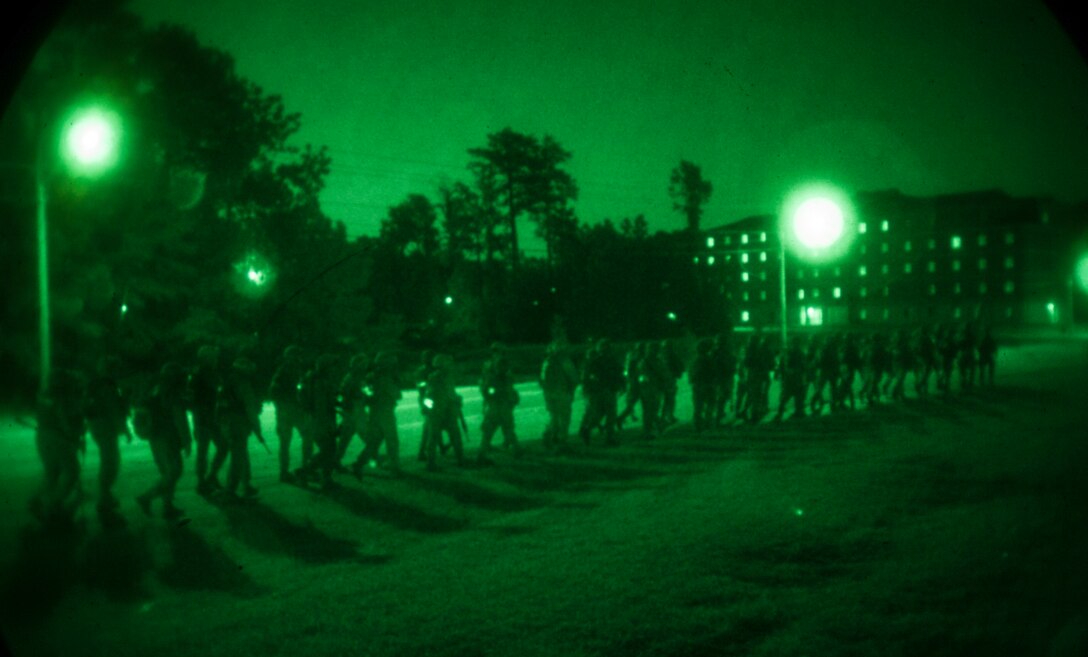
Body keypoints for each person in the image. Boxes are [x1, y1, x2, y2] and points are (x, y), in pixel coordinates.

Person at [30, 368, 86, 529]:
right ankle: (53, 505)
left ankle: (37, 501)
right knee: (72, 471)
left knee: (52, 472)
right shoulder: (62, 398)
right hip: (59, 438)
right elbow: (65, 423)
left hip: (42, 436)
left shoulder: (44, 395)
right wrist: (76, 436)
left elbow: (41, 415)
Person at [135, 363, 192, 520]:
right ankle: (146, 497)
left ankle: (167, 508)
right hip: (167, 436)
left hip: (154, 435)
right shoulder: (171, 392)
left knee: (166, 472)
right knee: (175, 471)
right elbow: (179, 417)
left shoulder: (154, 388)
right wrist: (187, 440)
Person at [84, 354, 131, 526]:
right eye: (117, 368)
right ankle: (104, 499)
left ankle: (106, 496)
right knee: (111, 462)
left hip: (97, 425)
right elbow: (113, 408)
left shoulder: (96, 383)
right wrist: (124, 429)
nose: (120, 371)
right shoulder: (107, 385)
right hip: (105, 427)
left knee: (108, 461)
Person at [217, 357, 266, 499]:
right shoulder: (242, 383)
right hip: (237, 423)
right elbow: (249, 407)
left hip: (227, 422)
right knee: (238, 457)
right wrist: (257, 429)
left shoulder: (228, 381)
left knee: (241, 454)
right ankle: (230, 491)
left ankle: (245, 484)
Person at [354, 351, 402, 477]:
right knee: (392, 440)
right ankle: (394, 466)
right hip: (386, 412)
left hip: (374, 412)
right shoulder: (386, 377)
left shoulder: (370, 376)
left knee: (373, 441)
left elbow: (366, 393)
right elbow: (397, 395)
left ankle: (360, 462)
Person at [297, 354, 340, 489]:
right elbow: (321, 406)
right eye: (331, 366)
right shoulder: (321, 382)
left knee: (329, 449)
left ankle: (325, 478)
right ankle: (305, 472)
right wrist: (328, 426)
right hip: (321, 421)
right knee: (328, 449)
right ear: (326, 368)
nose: (334, 369)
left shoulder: (311, 379)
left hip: (314, 419)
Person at [190, 345, 225, 495]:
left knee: (222, 446)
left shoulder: (207, 373)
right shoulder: (202, 374)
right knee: (204, 451)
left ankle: (209, 477)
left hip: (210, 416)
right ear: (207, 358)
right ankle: (202, 482)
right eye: (213, 357)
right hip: (204, 417)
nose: (216, 359)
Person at [478, 343, 521, 464]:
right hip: (497, 406)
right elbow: (488, 389)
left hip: (499, 405)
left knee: (505, 428)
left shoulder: (496, 368)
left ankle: (515, 448)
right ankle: (483, 453)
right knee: (498, 429)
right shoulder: (494, 369)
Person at [269, 345, 306, 484]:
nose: (297, 359)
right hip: (287, 412)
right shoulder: (283, 372)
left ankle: (297, 470)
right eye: (295, 356)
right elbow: (274, 392)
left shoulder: (294, 371)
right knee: (287, 442)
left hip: (292, 411)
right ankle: (287, 472)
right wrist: (282, 409)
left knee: (294, 440)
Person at [423, 354, 466, 471]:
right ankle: (430, 463)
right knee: (434, 438)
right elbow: (428, 396)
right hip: (438, 412)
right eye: (449, 364)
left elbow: (450, 393)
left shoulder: (448, 377)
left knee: (455, 435)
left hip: (448, 411)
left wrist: (457, 399)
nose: (451, 366)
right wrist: (429, 410)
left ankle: (460, 459)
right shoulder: (434, 378)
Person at [578, 339, 624, 446]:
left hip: (602, 391)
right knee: (609, 415)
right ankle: (608, 437)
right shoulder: (605, 360)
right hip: (605, 391)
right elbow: (618, 374)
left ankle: (588, 430)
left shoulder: (596, 361)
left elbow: (619, 373)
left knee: (601, 415)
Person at [540, 341, 580, 450]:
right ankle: (562, 441)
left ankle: (549, 435)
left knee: (554, 417)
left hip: (549, 394)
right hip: (562, 392)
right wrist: (572, 387)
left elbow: (543, 379)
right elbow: (574, 377)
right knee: (564, 418)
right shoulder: (564, 361)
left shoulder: (547, 361)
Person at [337, 353, 370, 469]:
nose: (365, 366)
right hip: (355, 411)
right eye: (363, 363)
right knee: (369, 438)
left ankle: (336, 461)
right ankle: (362, 461)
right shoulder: (352, 378)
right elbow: (345, 394)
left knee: (345, 439)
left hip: (353, 411)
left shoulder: (356, 377)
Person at [774, 340, 807, 421]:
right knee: (798, 395)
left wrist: (780, 374)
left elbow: (782, 365)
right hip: (797, 376)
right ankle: (798, 411)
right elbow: (803, 365)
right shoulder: (800, 353)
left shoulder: (787, 353)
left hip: (789, 377)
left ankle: (780, 413)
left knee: (786, 395)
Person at [688, 338, 716, 432]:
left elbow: (691, 374)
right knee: (709, 405)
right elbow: (712, 372)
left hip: (697, 385)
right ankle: (707, 423)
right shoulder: (708, 359)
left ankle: (698, 425)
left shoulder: (693, 360)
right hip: (707, 385)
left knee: (698, 407)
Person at [615, 343, 643, 431]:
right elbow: (630, 372)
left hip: (636, 383)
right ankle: (620, 419)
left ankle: (622, 418)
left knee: (645, 403)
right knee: (632, 404)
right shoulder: (635, 358)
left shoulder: (635, 357)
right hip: (636, 384)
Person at [711, 333, 736, 425]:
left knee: (723, 395)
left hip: (721, 377)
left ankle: (719, 412)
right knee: (722, 395)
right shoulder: (720, 352)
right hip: (722, 377)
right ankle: (718, 414)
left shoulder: (716, 352)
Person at [660, 339, 684, 425]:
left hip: (665, 380)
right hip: (669, 380)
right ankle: (668, 416)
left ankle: (666, 416)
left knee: (668, 399)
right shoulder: (671, 356)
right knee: (670, 399)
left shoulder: (660, 356)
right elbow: (680, 365)